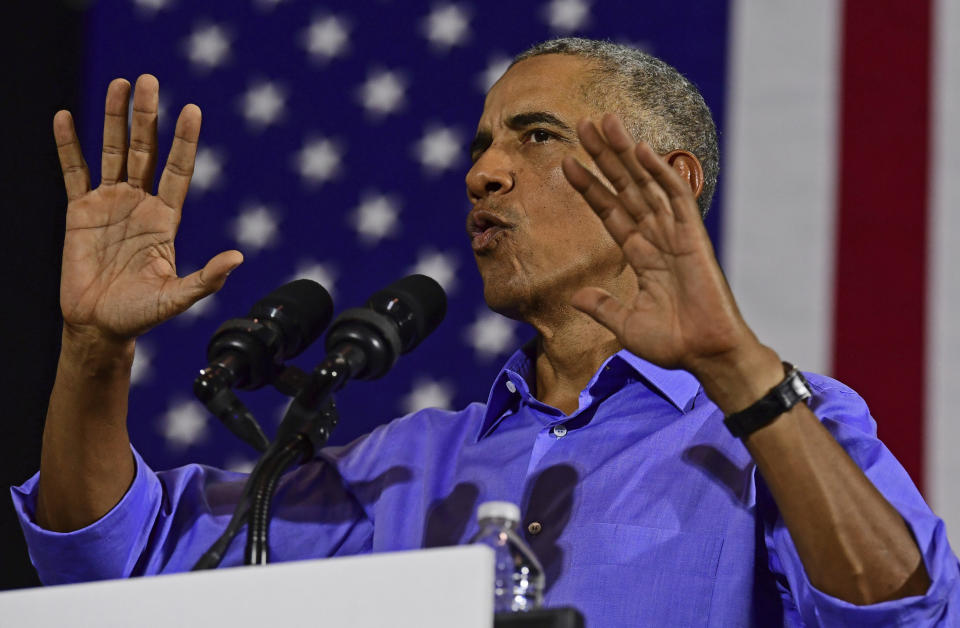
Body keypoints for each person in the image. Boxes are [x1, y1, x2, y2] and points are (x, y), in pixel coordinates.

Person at [12, 38, 959, 626]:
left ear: (671, 179)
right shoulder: (399, 466)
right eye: (478, 148)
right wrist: (95, 350)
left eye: (536, 136)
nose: (484, 174)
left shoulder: (776, 427)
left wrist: (732, 362)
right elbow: (113, 562)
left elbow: (907, 615)